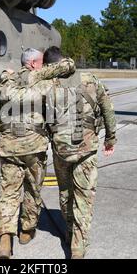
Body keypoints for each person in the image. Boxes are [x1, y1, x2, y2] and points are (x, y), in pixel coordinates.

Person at [0, 48, 75, 259]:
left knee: (9, 192)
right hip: (35, 147)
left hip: (9, 147)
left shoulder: (2, 84)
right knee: (33, 190)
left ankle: (5, 237)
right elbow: (56, 113)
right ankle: (26, 230)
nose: (44, 66)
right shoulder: (44, 83)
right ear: (32, 64)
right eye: (41, 62)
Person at [44, 46, 117, 259]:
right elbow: (108, 110)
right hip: (87, 149)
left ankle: (69, 233)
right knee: (83, 197)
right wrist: (111, 138)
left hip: (61, 150)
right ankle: (78, 244)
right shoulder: (91, 79)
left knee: (66, 193)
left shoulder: (48, 85)